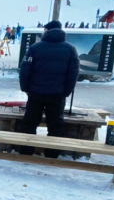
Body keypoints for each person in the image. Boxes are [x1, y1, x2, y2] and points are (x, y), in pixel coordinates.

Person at [18, 20, 80, 158]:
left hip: (35, 93)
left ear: (47, 32)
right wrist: (66, 91)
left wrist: (25, 88)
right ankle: (52, 154)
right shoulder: (70, 49)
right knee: (55, 124)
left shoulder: (35, 48)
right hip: (57, 94)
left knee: (30, 123)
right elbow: (73, 73)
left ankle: (26, 152)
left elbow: (25, 69)